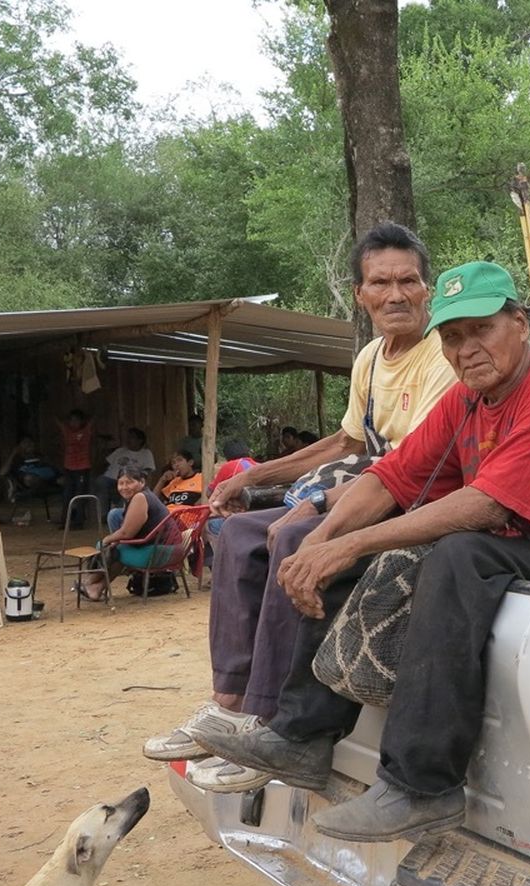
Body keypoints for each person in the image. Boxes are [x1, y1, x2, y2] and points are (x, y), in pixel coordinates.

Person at [195, 260, 530, 841]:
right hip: (508, 547)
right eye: (452, 337)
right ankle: (301, 735)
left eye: (482, 330)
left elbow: (487, 507)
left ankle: (423, 786)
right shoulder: (467, 400)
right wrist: (321, 542)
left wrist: (349, 543)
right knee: (342, 546)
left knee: (452, 552)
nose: (466, 349)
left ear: (521, 324)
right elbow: (389, 478)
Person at [142, 222, 456, 775]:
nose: (396, 294)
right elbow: (346, 443)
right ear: (361, 294)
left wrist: (316, 504)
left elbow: (409, 466)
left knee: (292, 535)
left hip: (414, 494)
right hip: (365, 485)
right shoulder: (371, 359)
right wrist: (252, 475)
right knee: (238, 532)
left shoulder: (440, 356)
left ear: (426, 288)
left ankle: (271, 723)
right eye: (380, 283)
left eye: (408, 280)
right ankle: (230, 704)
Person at [79, 464, 177, 601]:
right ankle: (95, 588)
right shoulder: (140, 496)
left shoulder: (140, 498)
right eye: (121, 483)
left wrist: (106, 540)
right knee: (115, 547)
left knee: (112, 549)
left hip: (160, 552)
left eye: (129, 482)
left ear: (142, 482)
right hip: (165, 548)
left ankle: (88, 582)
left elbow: (126, 534)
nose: (124, 487)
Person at [98, 428, 155, 515]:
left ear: (140, 440)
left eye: (132, 437)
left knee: (127, 486)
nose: (128, 440)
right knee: (101, 481)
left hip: (129, 479)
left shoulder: (146, 453)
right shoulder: (120, 450)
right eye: (128, 437)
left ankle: (123, 514)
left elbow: (148, 470)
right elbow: (104, 463)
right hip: (110, 478)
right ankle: (103, 516)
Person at [59, 409, 95, 529]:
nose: (73, 423)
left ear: (82, 421)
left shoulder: (86, 431)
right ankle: (64, 522)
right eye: (71, 420)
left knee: (80, 495)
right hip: (69, 467)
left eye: (76, 420)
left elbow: (93, 417)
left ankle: (79, 522)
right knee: (67, 495)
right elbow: (57, 420)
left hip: (82, 467)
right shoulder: (67, 431)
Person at [0, 435, 59, 503]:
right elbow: (1, 473)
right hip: (28, 483)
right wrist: (13, 453)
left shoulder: (39, 456)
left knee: (64, 480)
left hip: (48, 479)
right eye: (25, 443)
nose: (29, 445)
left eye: (31, 442)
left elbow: (53, 469)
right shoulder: (16, 459)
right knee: (29, 479)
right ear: (19, 446)